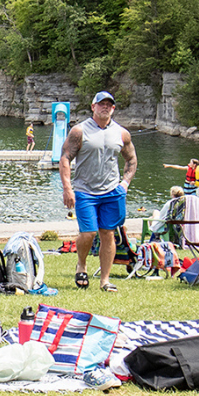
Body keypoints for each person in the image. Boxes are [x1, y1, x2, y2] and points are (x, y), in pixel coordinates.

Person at [60, 91, 137, 293]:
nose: (105, 107)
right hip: (85, 190)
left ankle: (105, 280)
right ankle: (82, 264)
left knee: (108, 233)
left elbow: (131, 159)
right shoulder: (79, 131)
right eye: (101, 104)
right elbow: (65, 157)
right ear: (93, 106)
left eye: (109, 105)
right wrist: (67, 188)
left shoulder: (121, 133)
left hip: (112, 191)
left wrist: (125, 184)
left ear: (113, 108)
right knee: (89, 232)